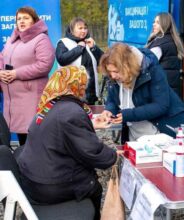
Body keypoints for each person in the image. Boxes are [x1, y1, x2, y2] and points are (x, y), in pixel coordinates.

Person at [15, 66, 118, 220]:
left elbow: (61, 133)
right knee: (93, 185)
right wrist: (115, 155)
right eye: (83, 85)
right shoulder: (71, 112)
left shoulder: (50, 104)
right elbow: (93, 153)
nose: (84, 89)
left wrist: (90, 124)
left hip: (34, 178)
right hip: (49, 186)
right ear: (76, 85)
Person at [99, 43, 184, 141]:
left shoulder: (152, 71)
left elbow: (161, 105)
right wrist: (109, 110)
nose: (113, 76)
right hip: (135, 136)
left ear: (127, 66)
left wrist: (128, 114)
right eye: (110, 72)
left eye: (116, 71)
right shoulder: (114, 77)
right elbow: (112, 100)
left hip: (158, 134)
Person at [0, 6, 55, 146]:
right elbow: (2, 58)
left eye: (26, 18)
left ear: (34, 21)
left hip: (31, 98)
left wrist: (16, 74)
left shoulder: (41, 39)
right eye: (19, 19)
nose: (21, 21)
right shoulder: (11, 40)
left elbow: (44, 64)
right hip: (13, 101)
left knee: (33, 139)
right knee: (22, 141)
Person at [56, 17, 104, 105]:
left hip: (91, 93)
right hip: (71, 93)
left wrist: (94, 47)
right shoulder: (63, 42)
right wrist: (79, 48)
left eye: (85, 28)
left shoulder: (89, 42)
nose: (83, 31)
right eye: (80, 28)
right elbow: (62, 60)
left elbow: (103, 60)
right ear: (72, 30)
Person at [146, 12, 184, 97]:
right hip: (169, 89)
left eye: (157, 23)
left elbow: (145, 64)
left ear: (165, 24)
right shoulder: (172, 40)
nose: (154, 25)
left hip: (160, 90)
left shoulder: (160, 44)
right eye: (154, 22)